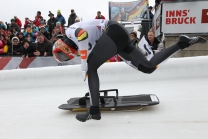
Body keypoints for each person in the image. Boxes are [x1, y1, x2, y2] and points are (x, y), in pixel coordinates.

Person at [52, 19, 207, 122]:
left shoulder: (69, 31)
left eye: (63, 55)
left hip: (113, 31)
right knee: (148, 67)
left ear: (61, 46)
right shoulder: (79, 47)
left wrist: (84, 63)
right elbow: (89, 43)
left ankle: (94, 111)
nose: (66, 57)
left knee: (91, 67)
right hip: (117, 36)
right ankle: (182, 43)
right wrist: (85, 61)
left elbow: (82, 34)